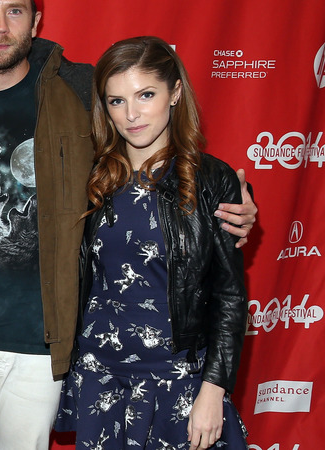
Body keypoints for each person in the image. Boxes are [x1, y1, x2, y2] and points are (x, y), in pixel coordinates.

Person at [0, 0, 257, 449]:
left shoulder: (81, 89)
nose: (0, 26)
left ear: (36, 20)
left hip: (49, 341)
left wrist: (234, 202)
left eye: (15, 10)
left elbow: (157, 148)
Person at [53, 36, 248, 449]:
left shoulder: (211, 179)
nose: (132, 114)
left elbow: (229, 295)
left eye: (145, 95)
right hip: (99, 376)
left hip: (175, 381)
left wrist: (214, 389)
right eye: (116, 101)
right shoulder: (90, 177)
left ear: (175, 92)